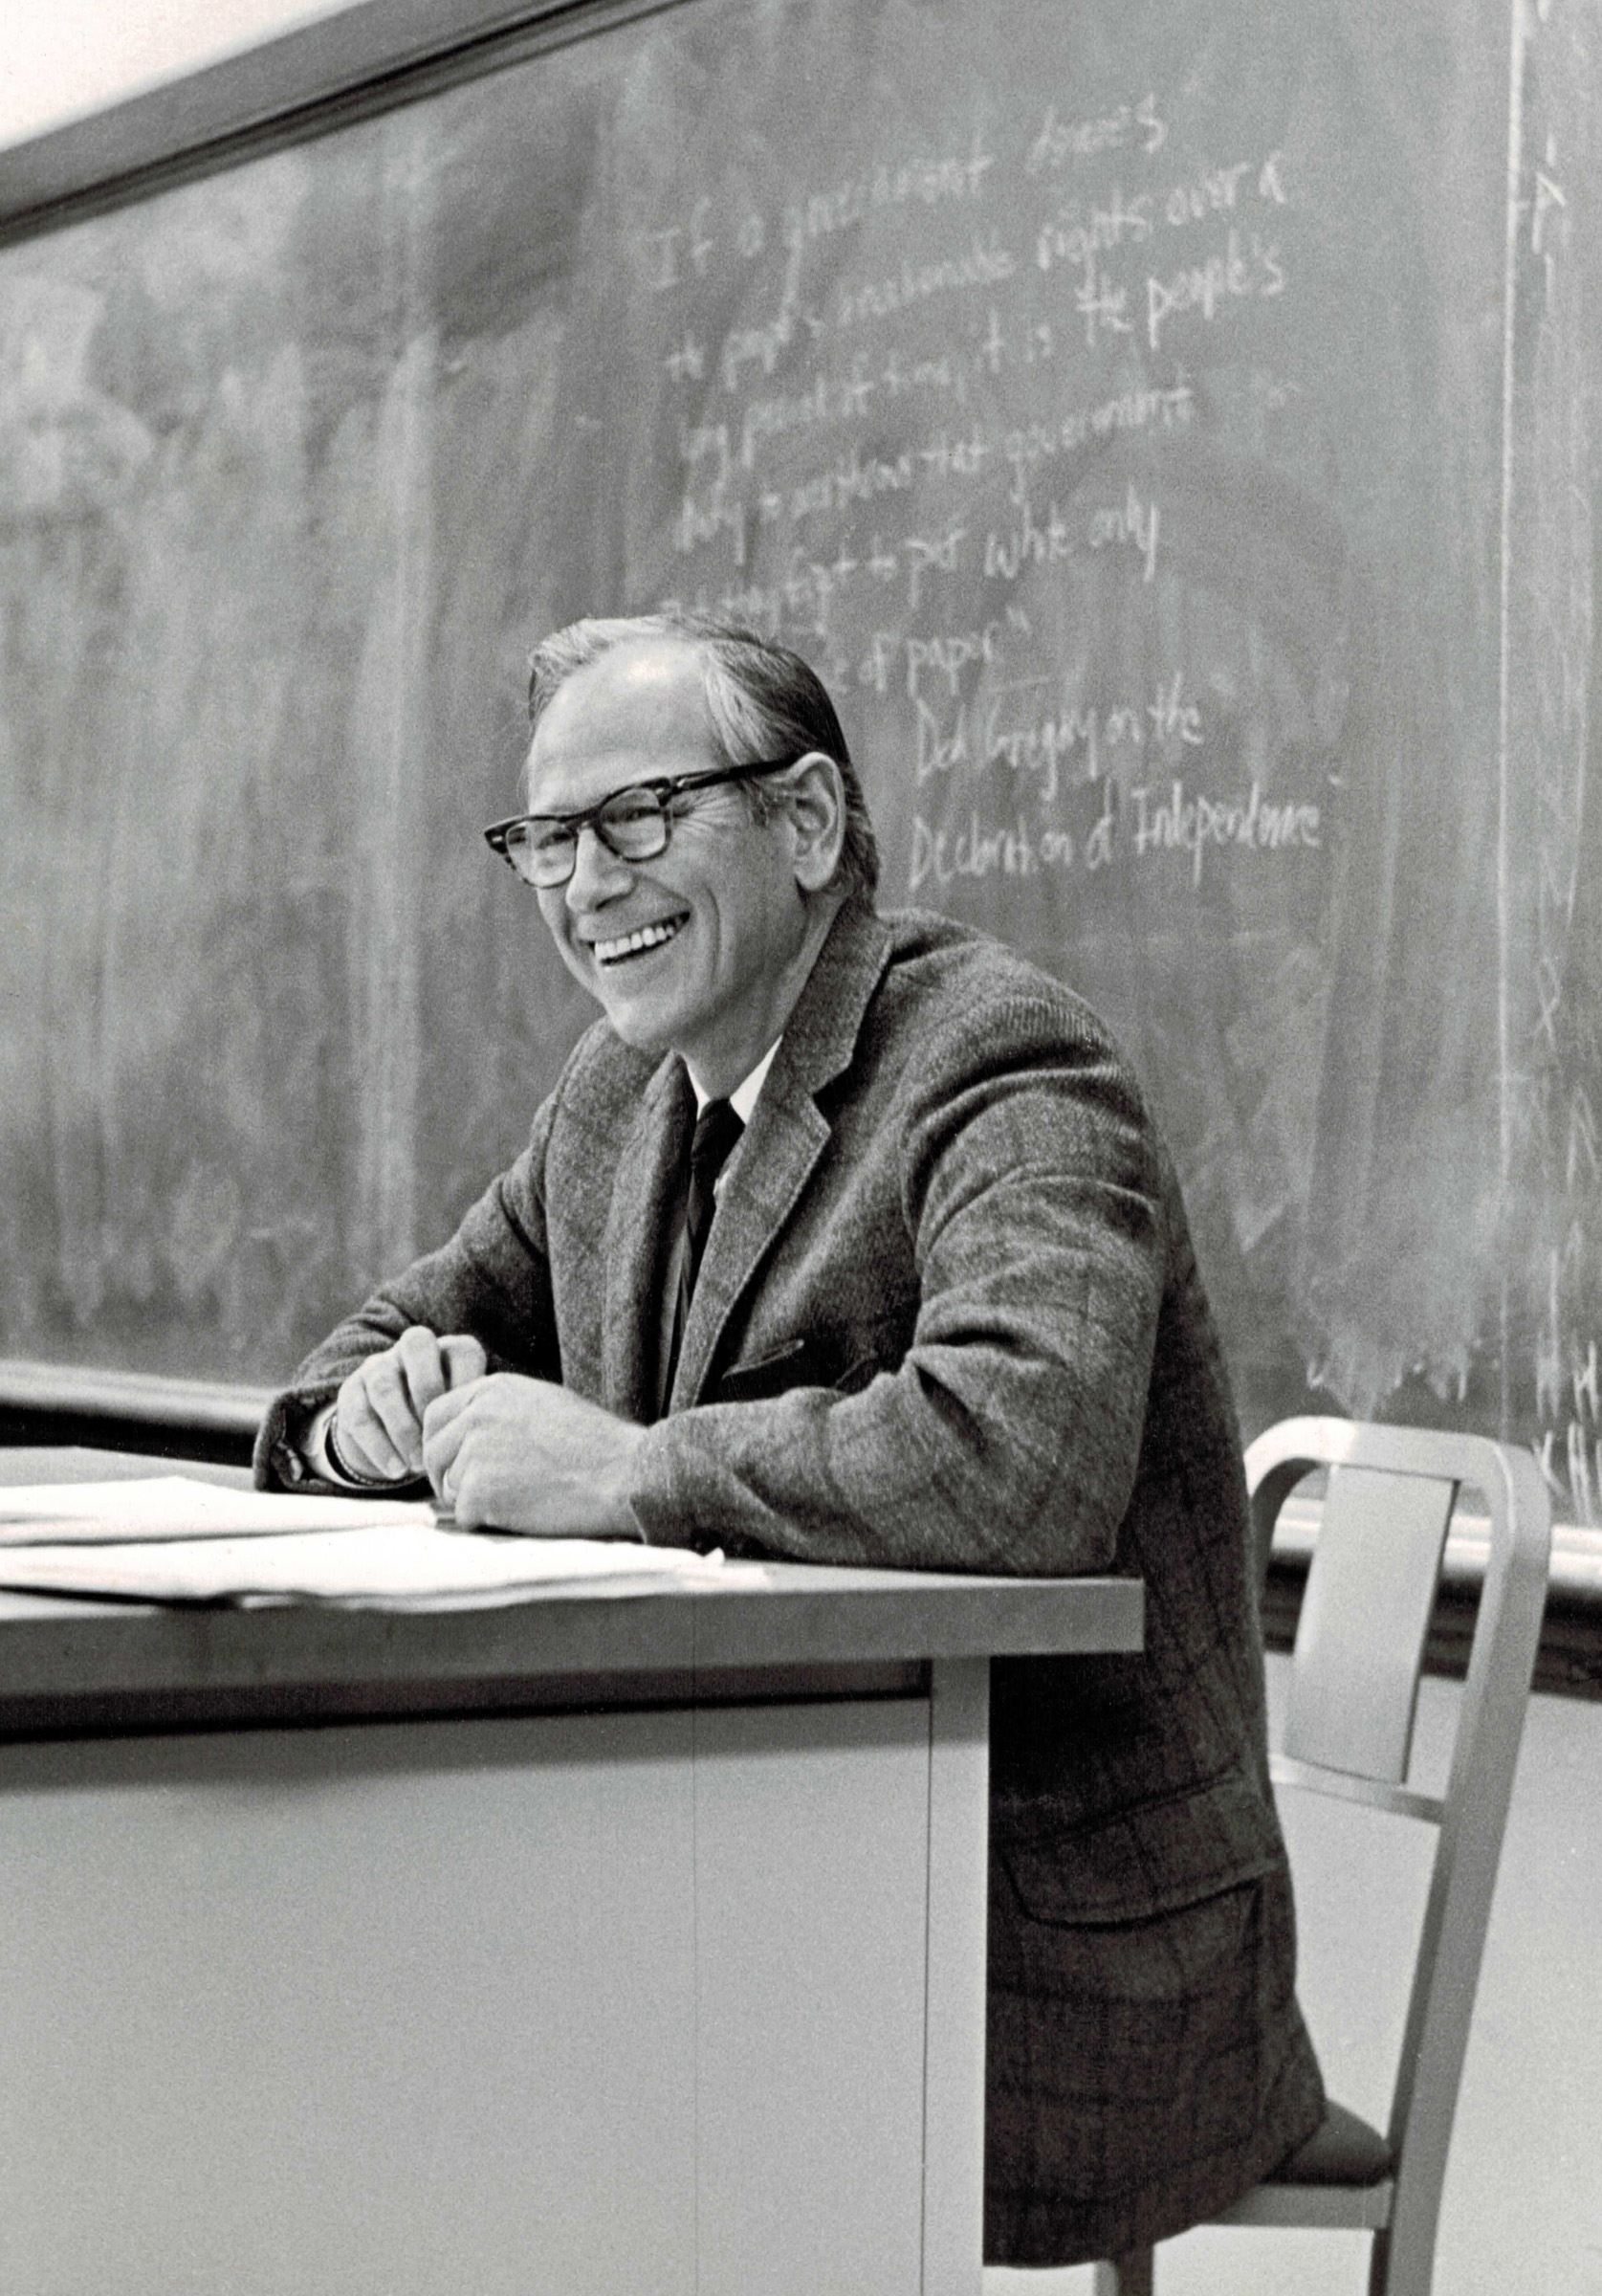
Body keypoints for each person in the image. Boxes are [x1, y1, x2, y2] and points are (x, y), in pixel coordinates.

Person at [255, 611, 1325, 2266]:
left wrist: (624, 1473)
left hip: (1040, 1955)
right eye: (547, 840)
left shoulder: (1002, 1058)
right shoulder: (617, 1099)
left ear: (809, 823)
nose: (586, 885)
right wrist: (369, 1423)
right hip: (760, 1873)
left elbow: (1017, 1459)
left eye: (642, 816)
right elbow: (352, 1363)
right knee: (385, 2027)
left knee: (481, 2103)